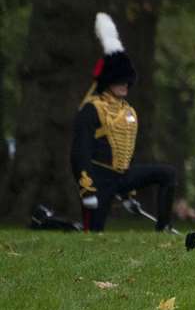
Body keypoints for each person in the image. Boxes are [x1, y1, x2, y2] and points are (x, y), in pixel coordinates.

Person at [70, 13, 176, 232]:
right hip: (98, 179)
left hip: (121, 176)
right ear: (108, 82)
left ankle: (164, 226)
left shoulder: (128, 110)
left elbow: (125, 151)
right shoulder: (92, 109)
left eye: (127, 81)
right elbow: (80, 152)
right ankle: (52, 223)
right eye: (119, 81)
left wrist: (129, 194)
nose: (125, 85)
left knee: (167, 174)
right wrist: (86, 189)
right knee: (92, 232)